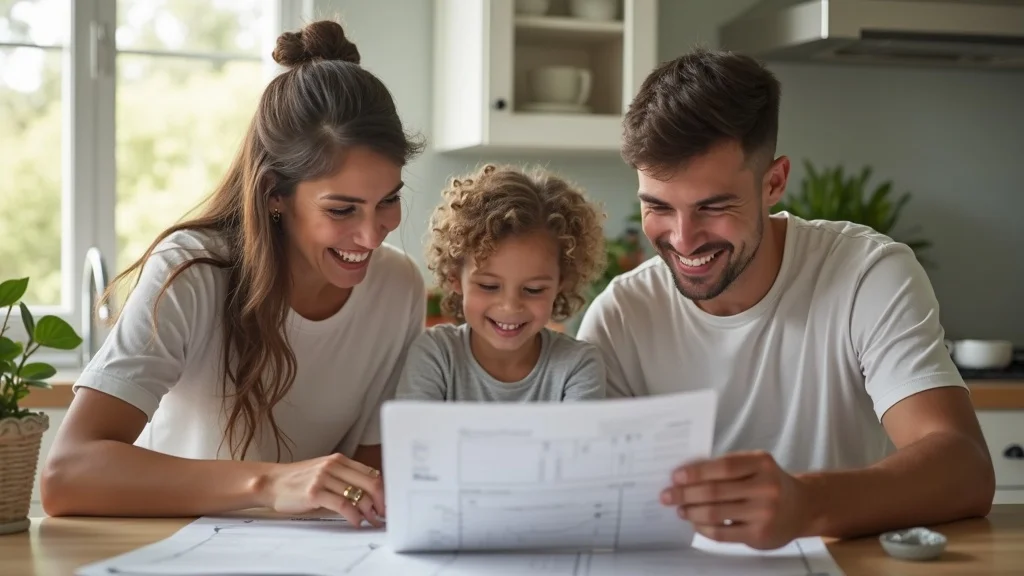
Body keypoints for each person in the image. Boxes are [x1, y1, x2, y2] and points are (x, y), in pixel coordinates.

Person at [577, 48, 995, 550]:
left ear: (773, 182)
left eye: (713, 207)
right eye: (659, 207)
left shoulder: (866, 276)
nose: (683, 239)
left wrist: (806, 503)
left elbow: (966, 468)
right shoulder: (621, 317)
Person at [40, 20, 426, 528]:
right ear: (275, 195)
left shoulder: (399, 288)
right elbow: (67, 474)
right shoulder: (191, 272)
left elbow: (371, 484)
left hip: (311, 551)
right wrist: (269, 484)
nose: (373, 235)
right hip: (171, 545)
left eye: (389, 201)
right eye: (341, 210)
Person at [396, 164, 607, 403]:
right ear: (455, 278)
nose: (510, 306)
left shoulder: (577, 364)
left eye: (533, 290)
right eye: (489, 286)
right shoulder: (436, 354)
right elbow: (413, 427)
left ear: (562, 282)